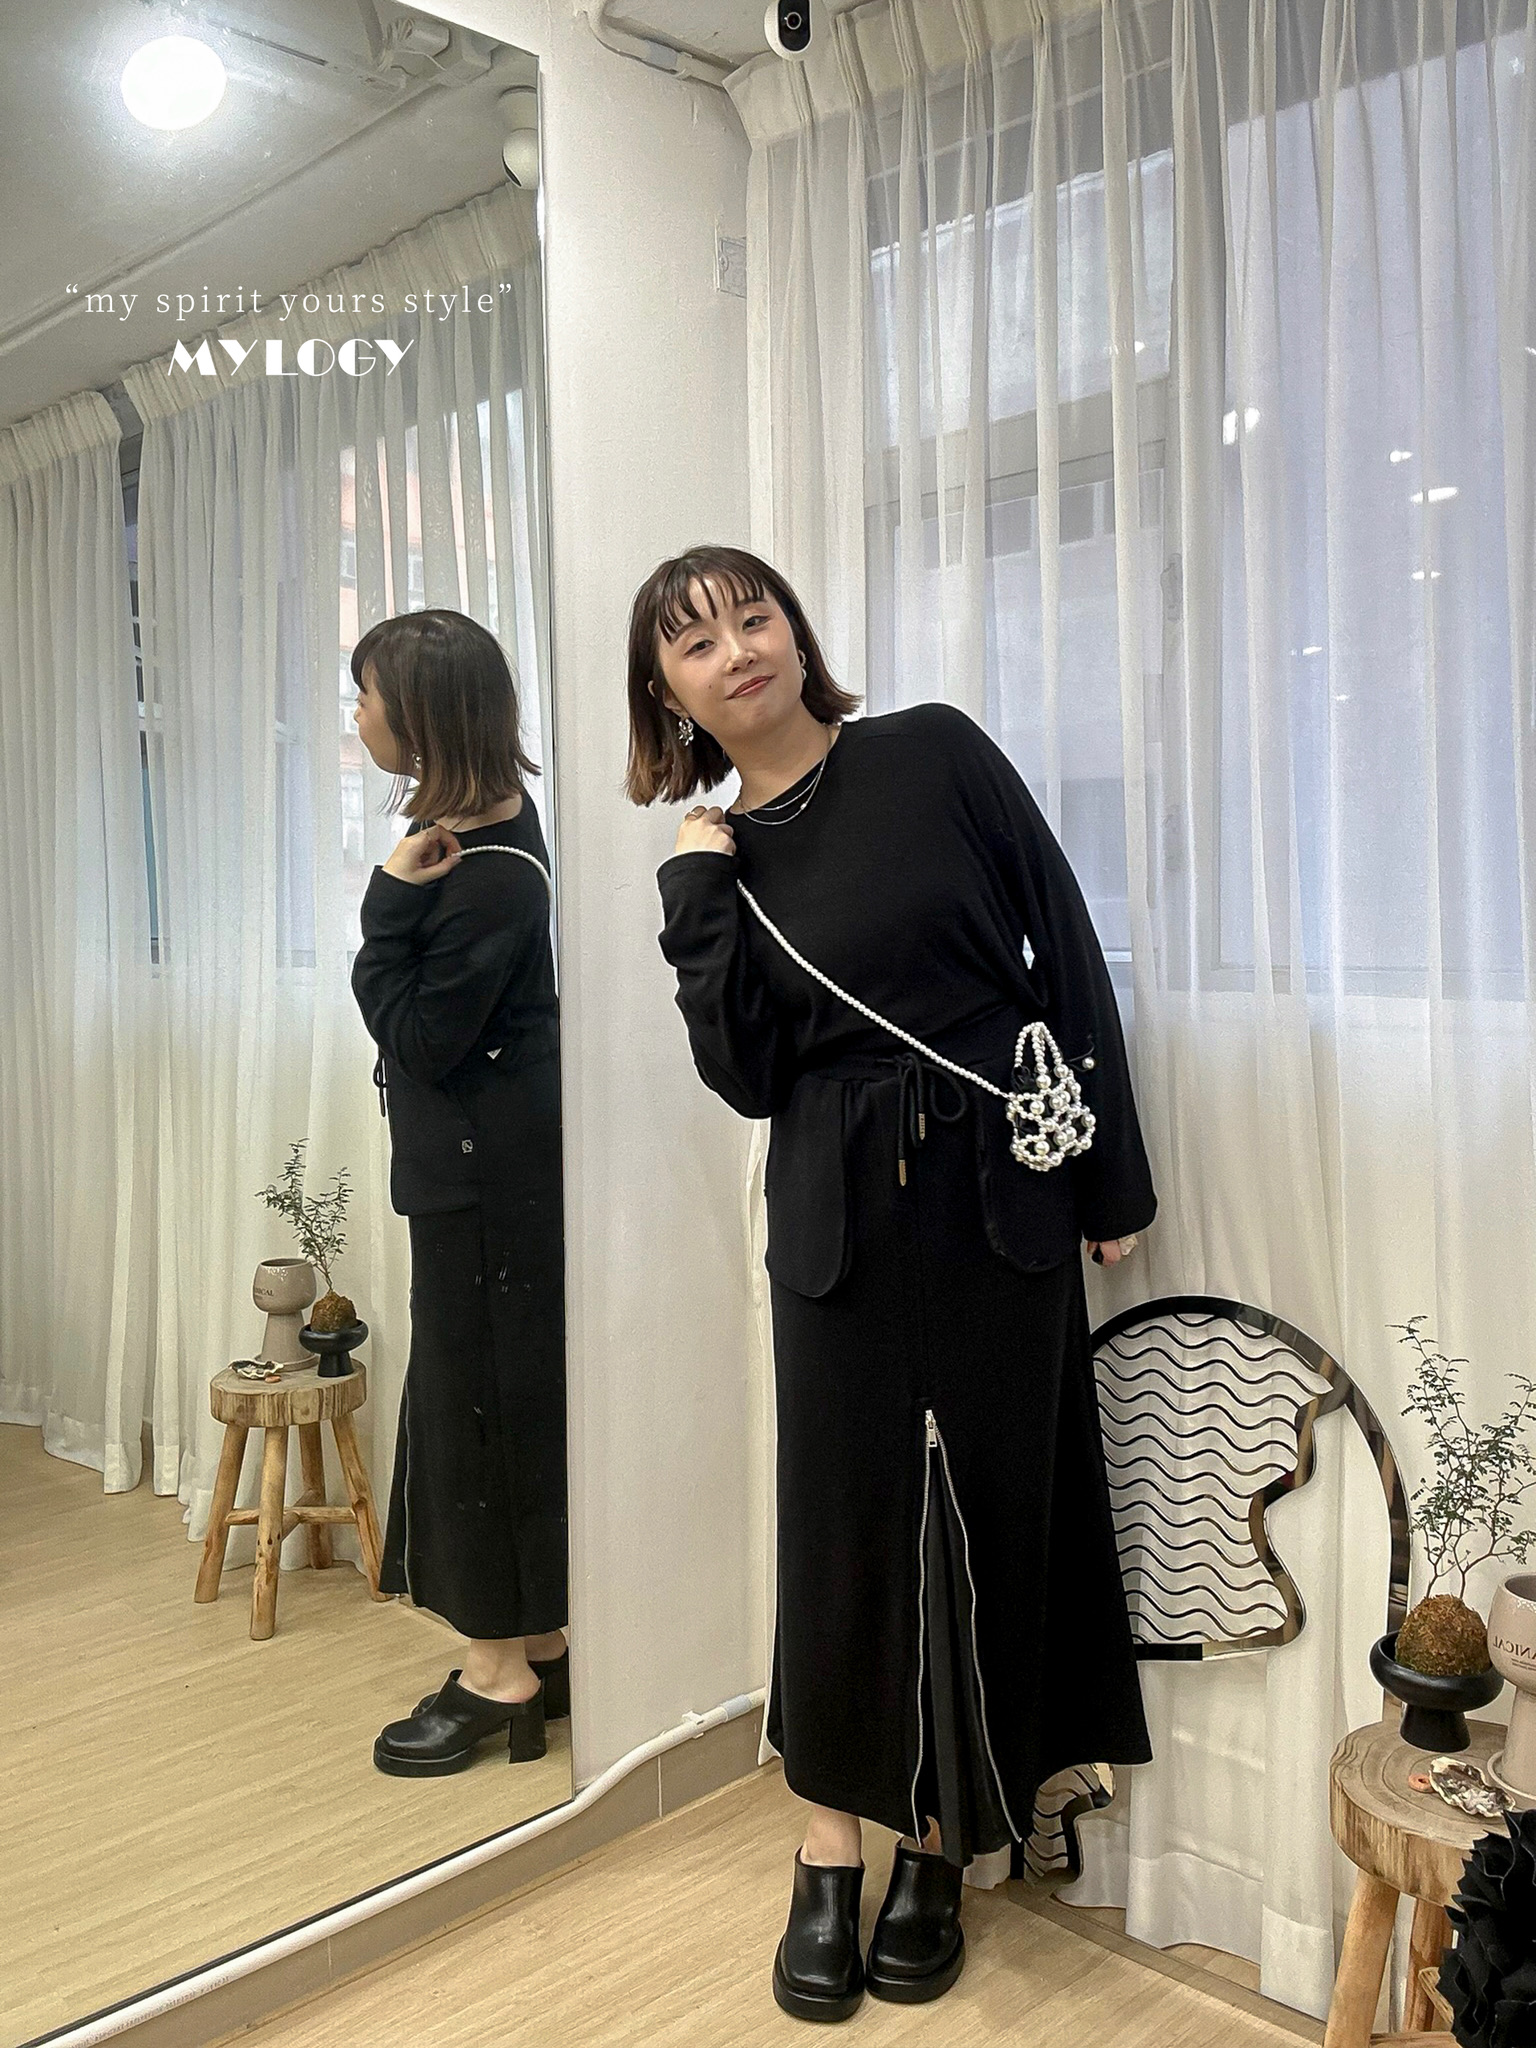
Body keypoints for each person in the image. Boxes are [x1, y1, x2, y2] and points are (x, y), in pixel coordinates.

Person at [628, 545, 1156, 2022]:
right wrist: (695, 895)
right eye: (695, 642)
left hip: (1000, 1181)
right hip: (835, 1207)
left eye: (754, 616)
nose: (737, 649)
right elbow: (745, 1074)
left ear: (798, 634)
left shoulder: (932, 752)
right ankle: (828, 1844)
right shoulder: (721, 854)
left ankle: (944, 1840)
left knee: (998, 1505)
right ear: (665, 695)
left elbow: (1063, 938)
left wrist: (1111, 1175)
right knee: (843, 1529)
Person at [349, 608, 568, 1776]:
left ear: (425, 716)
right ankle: (540, 1642)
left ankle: (497, 1672)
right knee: (497, 1401)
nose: (360, 717)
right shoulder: (480, 834)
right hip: (493, 1173)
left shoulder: (485, 872)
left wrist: (384, 907)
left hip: (485, 1185)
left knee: (475, 1408)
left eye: (368, 697)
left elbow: (423, 1037)